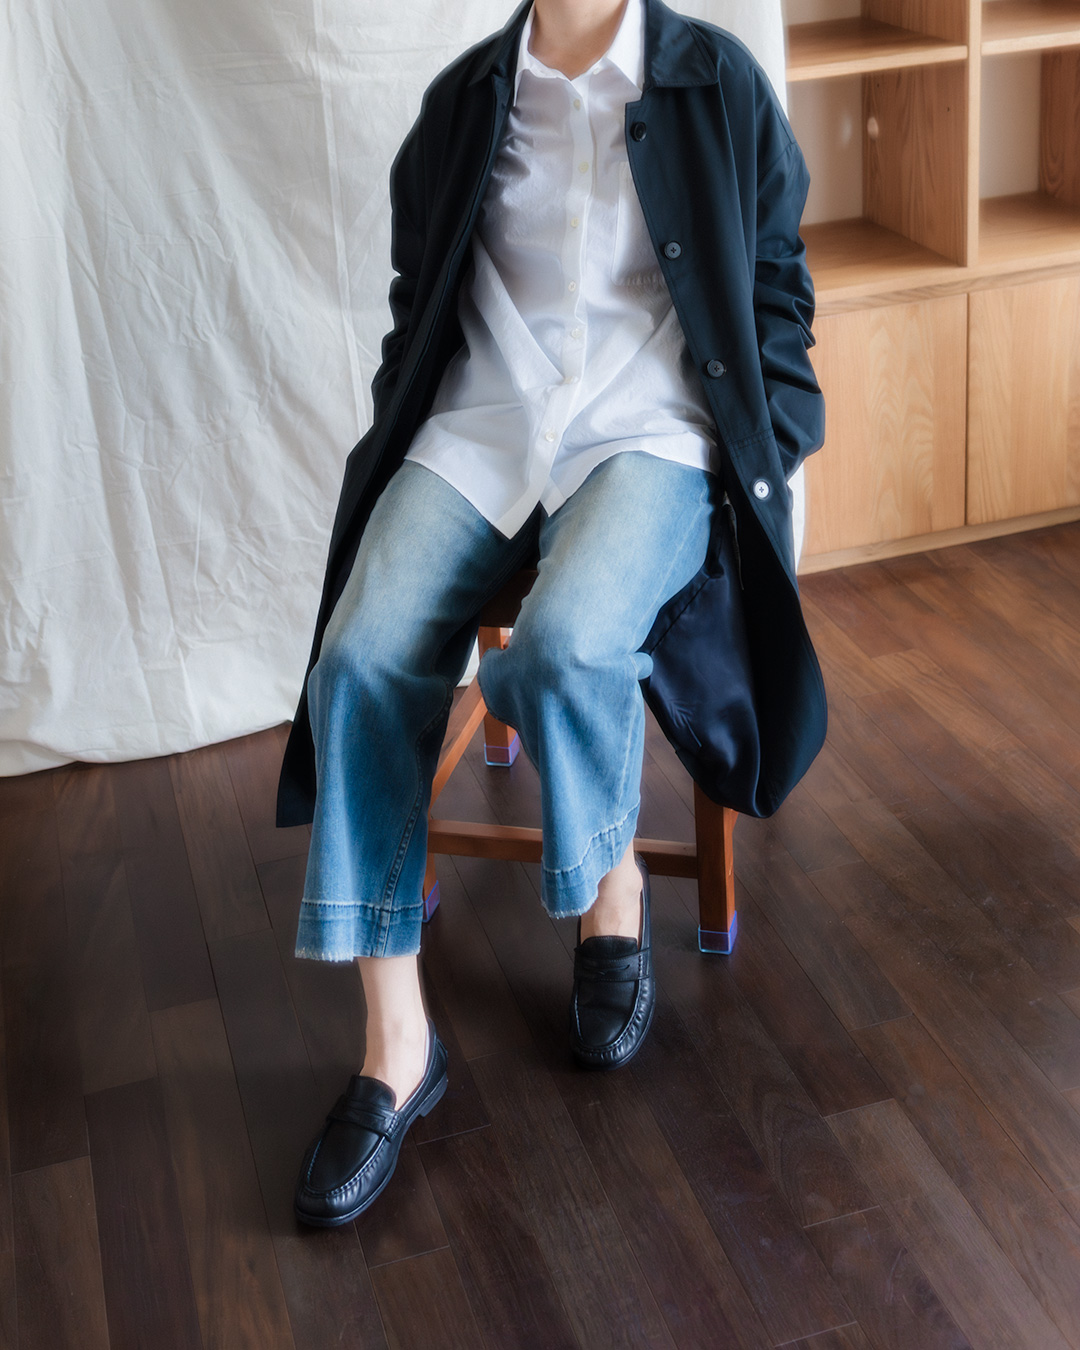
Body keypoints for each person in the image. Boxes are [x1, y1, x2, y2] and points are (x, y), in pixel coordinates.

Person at [279, 0, 826, 1227]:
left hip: (649, 429)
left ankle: (610, 883)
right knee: (358, 663)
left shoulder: (716, 83)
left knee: (567, 647)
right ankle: (397, 1046)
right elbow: (419, 298)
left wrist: (773, 441)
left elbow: (778, 283)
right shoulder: (465, 103)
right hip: (486, 427)